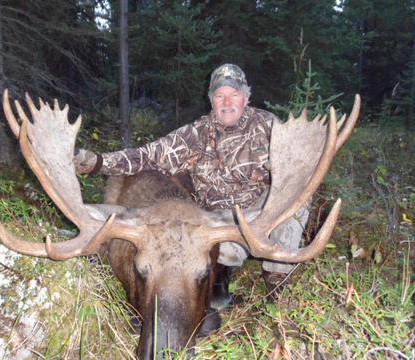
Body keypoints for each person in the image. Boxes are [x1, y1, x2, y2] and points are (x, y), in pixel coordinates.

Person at [74, 64, 310, 303]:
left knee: (297, 195)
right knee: (213, 257)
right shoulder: (195, 135)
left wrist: (285, 172)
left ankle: (276, 276)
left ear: (246, 97)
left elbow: (298, 167)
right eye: (220, 96)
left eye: (234, 95)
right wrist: (98, 162)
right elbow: (146, 156)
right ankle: (222, 275)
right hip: (219, 219)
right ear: (211, 100)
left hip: (261, 210)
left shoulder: (270, 126)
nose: (227, 102)